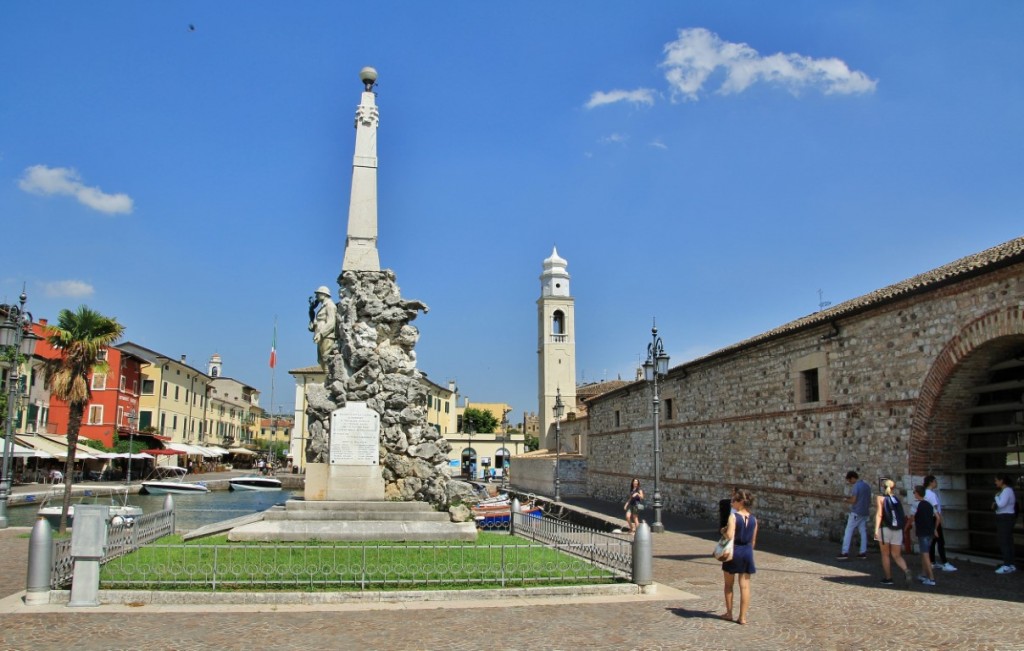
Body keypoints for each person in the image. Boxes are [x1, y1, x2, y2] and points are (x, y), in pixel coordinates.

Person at [721, 489, 757, 625]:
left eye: (734, 501)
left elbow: (730, 535)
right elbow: (753, 541)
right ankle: (742, 617)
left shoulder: (734, 517)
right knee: (745, 586)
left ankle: (729, 613)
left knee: (729, 585)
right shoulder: (753, 519)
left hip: (734, 551)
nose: (731, 503)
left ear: (740, 502)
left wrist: (723, 532)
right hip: (747, 552)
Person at [874, 479, 912, 587]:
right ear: (893, 488)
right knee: (897, 555)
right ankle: (906, 570)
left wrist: (876, 529)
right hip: (897, 529)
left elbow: (879, 514)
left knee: (885, 555)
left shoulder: (880, 498)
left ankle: (888, 578)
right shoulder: (896, 499)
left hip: (885, 529)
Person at [923, 475, 956, 572]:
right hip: (934, 519)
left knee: (933, 542)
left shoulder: (925, 493)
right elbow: (936, 509)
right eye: (935, 481)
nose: (936, 483)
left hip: (929, 519)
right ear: (931, 482)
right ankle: (945, 562)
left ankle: (932, 561)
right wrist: (938, 521)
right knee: (940, 541)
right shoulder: (931, 495)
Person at [837, 470, 872, 560]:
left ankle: (844, 552)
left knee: (848, 531)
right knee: (863, 531)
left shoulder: (856, 486)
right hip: (865, 512)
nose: (849, 482)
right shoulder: (867, 486)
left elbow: (853, 500)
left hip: (856, 512)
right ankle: (863, 552)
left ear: (852, 478)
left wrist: (845, 500)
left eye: (849, 480)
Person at [912, 485, 939, 586]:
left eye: (914, 492)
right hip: (930, 532)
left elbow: (912, 518)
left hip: (922, 532)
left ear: (917, 493)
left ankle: (931, 578)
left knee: (925, 554)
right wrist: (935, 529)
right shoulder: (929, 504)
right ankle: (923, 574)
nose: (913, 494)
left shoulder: (916, 505)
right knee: (924, 553)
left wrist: (906, 527)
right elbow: (938, 517)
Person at [309, 285, 339, 371]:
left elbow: (331, 322)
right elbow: (316, 323)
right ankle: (327, 382)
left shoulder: (330, 305)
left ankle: (328, 381)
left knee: (326, 360)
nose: (316, 297)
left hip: (327, 336)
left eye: (317, 294)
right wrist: (311, 310)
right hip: (321, 336)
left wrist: (321, 334)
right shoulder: (323, 307)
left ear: (323, 294)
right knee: (321, 360)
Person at [993, 473, 1017, 574]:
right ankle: (1010, 563)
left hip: (1005, 518)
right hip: (1006, 517)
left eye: (996, 480)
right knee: (1008, 541)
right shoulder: (1007, 491)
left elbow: (1001, 504)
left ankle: (1007, 565)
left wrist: (996, 497)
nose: (995, 483)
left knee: (1004, 542)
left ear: (1001, 481)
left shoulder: (1007, 491)